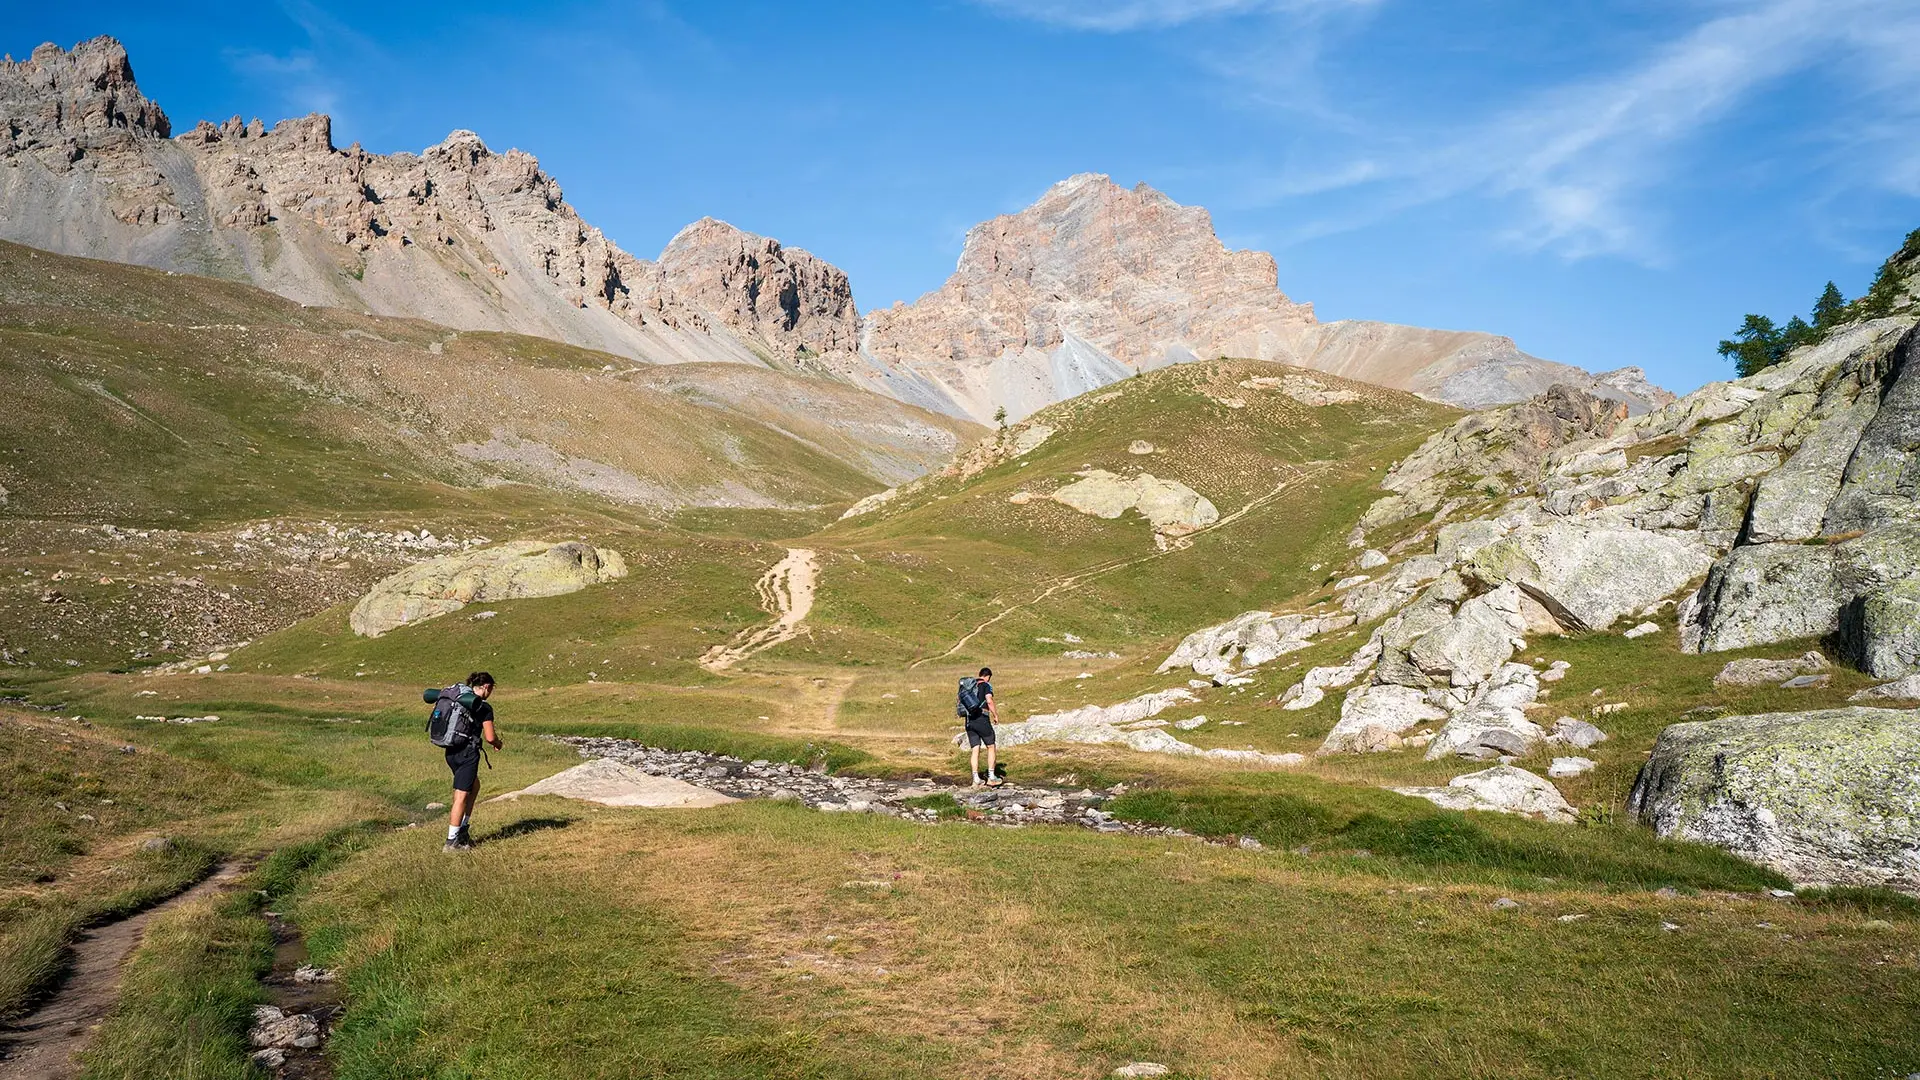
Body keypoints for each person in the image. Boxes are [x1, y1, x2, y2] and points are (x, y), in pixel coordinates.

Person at [444, 671, 502, 851]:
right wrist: (498, 743)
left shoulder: (458, 700)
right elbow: (490, 737)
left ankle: (463, 828)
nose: (490, 692)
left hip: (451, 751)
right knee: (461, 795)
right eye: (491, 689)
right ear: (486, 687)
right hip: (468, 753)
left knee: (473, 786)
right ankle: (452, 841)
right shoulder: (483, 707)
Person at [963, 666, 1002, 787]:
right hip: (982, 718)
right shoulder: (985, 685)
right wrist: (995, 715)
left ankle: (976, 779)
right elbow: (989, 700)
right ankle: (991, 777)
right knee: (991, 746)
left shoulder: (967, 686)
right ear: (987, 676)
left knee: (975, 749)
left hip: (969, 720)